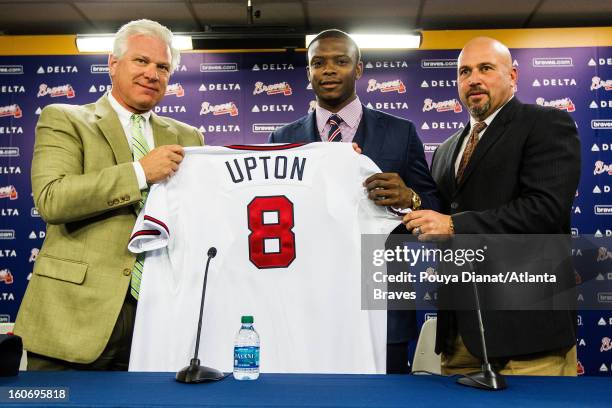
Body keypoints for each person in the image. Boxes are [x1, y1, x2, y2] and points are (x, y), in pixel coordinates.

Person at [14, 19, 203, 370]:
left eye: (163, 67)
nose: (152, 73)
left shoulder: (188, 136)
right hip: (73, 319)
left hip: (160, 317)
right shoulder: (65, 119)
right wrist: (139, 173)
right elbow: (53, 198)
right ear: (113, 65)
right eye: (141, 61)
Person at [403, 37, 580, 375]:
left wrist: (455, 226)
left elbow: (545, 210)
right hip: (461, 337)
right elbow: (437, 217)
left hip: (529, 334)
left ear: (512, 76)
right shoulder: (446, 150)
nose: (473, 79)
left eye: (485, 68)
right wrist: (402, 199)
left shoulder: (546, 124)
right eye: (464, 72)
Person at [269, 29, 440, 373]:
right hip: (307, 295)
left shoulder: (400, 131)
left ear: (358, 69)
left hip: (381, 295)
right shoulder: (282, 138)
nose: (328, 70)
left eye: (341, 61)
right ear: (308, 73)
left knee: (386, 397)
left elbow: (436, 205)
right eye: (318, 63)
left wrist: (410, 197)